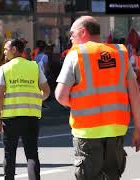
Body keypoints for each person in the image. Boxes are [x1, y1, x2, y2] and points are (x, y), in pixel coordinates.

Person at [55, 16, 140, 180]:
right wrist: (138, 128)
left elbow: (60, 95)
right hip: (116, 130)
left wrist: (79, 103)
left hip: (87, 131)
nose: (70, 38)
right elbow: (134, 93)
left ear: (83, 32)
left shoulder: (76, 55)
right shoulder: (120, 53)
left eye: (72, 34)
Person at [0, 39, 50, 180]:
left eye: (6, 49)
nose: (4, 52)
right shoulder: (34, 66)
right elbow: (47, 91)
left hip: (10, 118)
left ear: (14, 49)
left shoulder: (4, 69)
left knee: (9, 154)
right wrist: (37, 100)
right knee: (32, 154)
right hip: (31, 117)